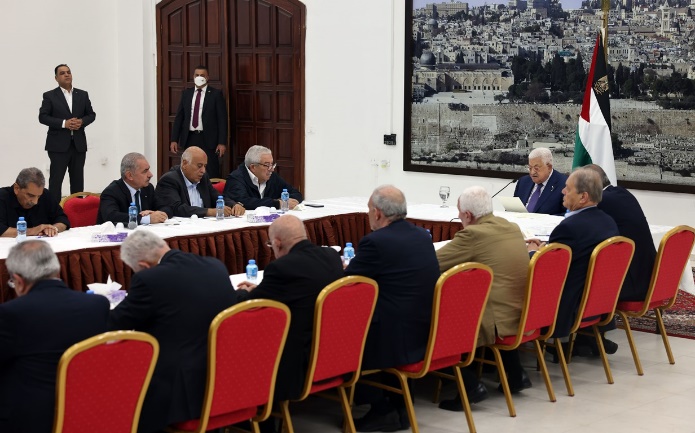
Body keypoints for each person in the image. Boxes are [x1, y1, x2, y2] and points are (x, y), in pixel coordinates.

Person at [108, 230, 238, 433]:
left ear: (143, 266)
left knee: (117, 383)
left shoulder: (150, 280)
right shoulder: (215, 266)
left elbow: (116, 323)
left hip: (181, 393)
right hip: (226, 381)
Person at [344, 185, 440, 432]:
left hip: (394, 336)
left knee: (342, 330)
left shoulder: (375, 242)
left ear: (377, 213)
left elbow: (347, 284)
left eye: (368, 210)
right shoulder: (422, 236)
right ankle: (394, 405)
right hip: (425, 327)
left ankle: (380, 405)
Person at [236, 215, 343, 429]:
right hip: (332, 351)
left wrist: (242, 293)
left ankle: (258, 421)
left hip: (294, 360)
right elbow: (294, 292)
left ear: (277, 243)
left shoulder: (283, 268)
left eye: (270, 245)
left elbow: (253, 304)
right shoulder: (330, 256)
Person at [435, 186, 531, 412]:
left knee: (435, 320)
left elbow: (432, 263)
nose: (459, 217)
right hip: (521, 313)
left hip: (493, 319)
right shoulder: (511, 227)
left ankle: (468, 384)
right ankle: (516, 374)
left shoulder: (473, 234)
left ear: (468, 215)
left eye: (459, 213)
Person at [0, 240, 109, 433]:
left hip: (33, 419)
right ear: (57, 271)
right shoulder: (97, 305)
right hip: (92, 410)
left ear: (18, 280)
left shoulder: (11, 313)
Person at [527, 167, 619, 352]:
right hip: (596, 302)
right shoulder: (608, 221)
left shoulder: (569, 228)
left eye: (567, 189)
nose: (562, 191)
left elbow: (544, 273)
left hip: (566, 305)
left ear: (583, 197)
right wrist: (547, 250)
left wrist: (532, 253)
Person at [584, 164, 657, 302]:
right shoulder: (622, 192)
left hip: (628, 284)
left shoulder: (602, 201)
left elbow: (586, 235)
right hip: (649, 278)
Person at [39, 64, 96, 202]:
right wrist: (64, 123)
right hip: (58, 145)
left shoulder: (82, 94)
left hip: (78, 145)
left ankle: (77, 211)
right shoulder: (50, 96)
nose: (67, 75)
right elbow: (43, 117)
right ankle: (54, 213)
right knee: (56, 182)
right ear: (56, 78)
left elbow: (91, 114)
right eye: (62, 73)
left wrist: (81, 122)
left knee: (77, 181)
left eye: (68, 72)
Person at [169, 65, 228, 178]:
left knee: (210, 168)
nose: (199, 77)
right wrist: (174, 139)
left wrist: (221, 142)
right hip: (190, 137)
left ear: (207, 77)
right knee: (189, 167)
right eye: (197, 75)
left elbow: (222, 119)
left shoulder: (215, 94)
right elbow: (180, 117)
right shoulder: (187, 94)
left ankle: (211, 193)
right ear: (193, 76)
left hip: (208, 139)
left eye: (202, 75)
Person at [155, 146, 244, 218]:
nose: (203, 171)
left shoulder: (203, 178)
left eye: (205, 166)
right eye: (199, 166)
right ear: (185, 164)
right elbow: (177, 208)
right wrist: (209, 212)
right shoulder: (170, 180)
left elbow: (216, 197)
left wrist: (234, 205)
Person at [97, 153, 168, 225]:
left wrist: (157, 213)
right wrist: (145, 219)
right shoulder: (111, 192)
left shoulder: (148, 188)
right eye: (145, 171)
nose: (150, 175)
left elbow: (165, 207)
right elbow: (111, 217)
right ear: (129, 175)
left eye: (149, 169)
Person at [224, 145, 302, 210]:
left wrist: (287, 202)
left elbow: (296, 193)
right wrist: (277, 203)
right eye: (267, 165)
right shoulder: (235, 179)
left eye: (272, 164)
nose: (271, 169)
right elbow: (244, 202)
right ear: (253, 167)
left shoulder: (272, 176)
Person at [0, 168, 69, 237]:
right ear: (17, 188)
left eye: (39, 196)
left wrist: (53, 228)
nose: (35, 202)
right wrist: (32, 231)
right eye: (30, 195)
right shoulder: (2, 197)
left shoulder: (45, 195)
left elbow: (62, 219)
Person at [513, 147, 567, 215]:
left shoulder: (564, 184)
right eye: (530, 168)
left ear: (549, 167)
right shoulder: (523, 182)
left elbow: (567, 214)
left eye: (536, 168)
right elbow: (513, 210)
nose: (532, 172)